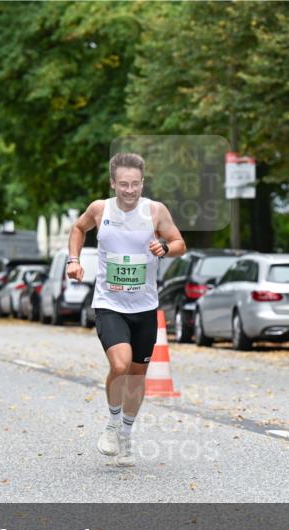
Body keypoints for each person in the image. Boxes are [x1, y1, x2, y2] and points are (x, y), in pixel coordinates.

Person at [66, 153, 185, 467]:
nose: (129, 190)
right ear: (112, 183)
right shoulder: (100, 209)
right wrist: (73, 260)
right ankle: (112, 423)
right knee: (119, 366)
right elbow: (78, 229)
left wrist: (165, 248)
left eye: (135, 184)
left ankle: (127, 434)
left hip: (145, 307)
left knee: (135, 376)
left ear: (142, 183)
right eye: (123, 184)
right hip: (109, 304)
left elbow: (178, 242)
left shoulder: (155, 211)